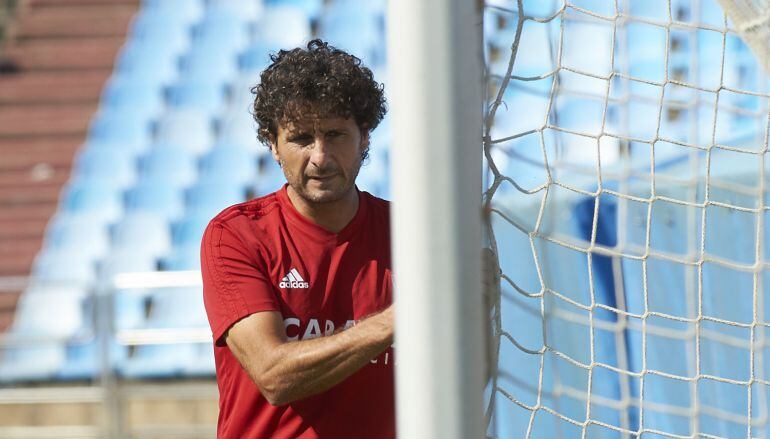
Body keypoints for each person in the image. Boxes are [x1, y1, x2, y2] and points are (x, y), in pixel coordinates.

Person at [200, 39, 394, 439]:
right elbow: (274, 376)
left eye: (336, 134)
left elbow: (468, 375)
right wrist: (400, 321)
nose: (320, 156)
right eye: (301, 138)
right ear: (272, 145)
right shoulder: (236, 235)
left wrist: (476, 309)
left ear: (365, 138)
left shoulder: (409, 233)